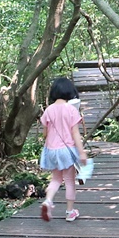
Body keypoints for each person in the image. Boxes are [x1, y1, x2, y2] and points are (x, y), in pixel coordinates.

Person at [39, 77, 88, 222]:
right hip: (67, 151)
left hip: (51, 151)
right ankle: (70, 211)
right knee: (69, 181)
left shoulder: (48, 110)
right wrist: (82, 152)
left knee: (55, 179)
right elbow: (75, 134)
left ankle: (48, 201)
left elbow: (45, 133)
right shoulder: (71, 110)